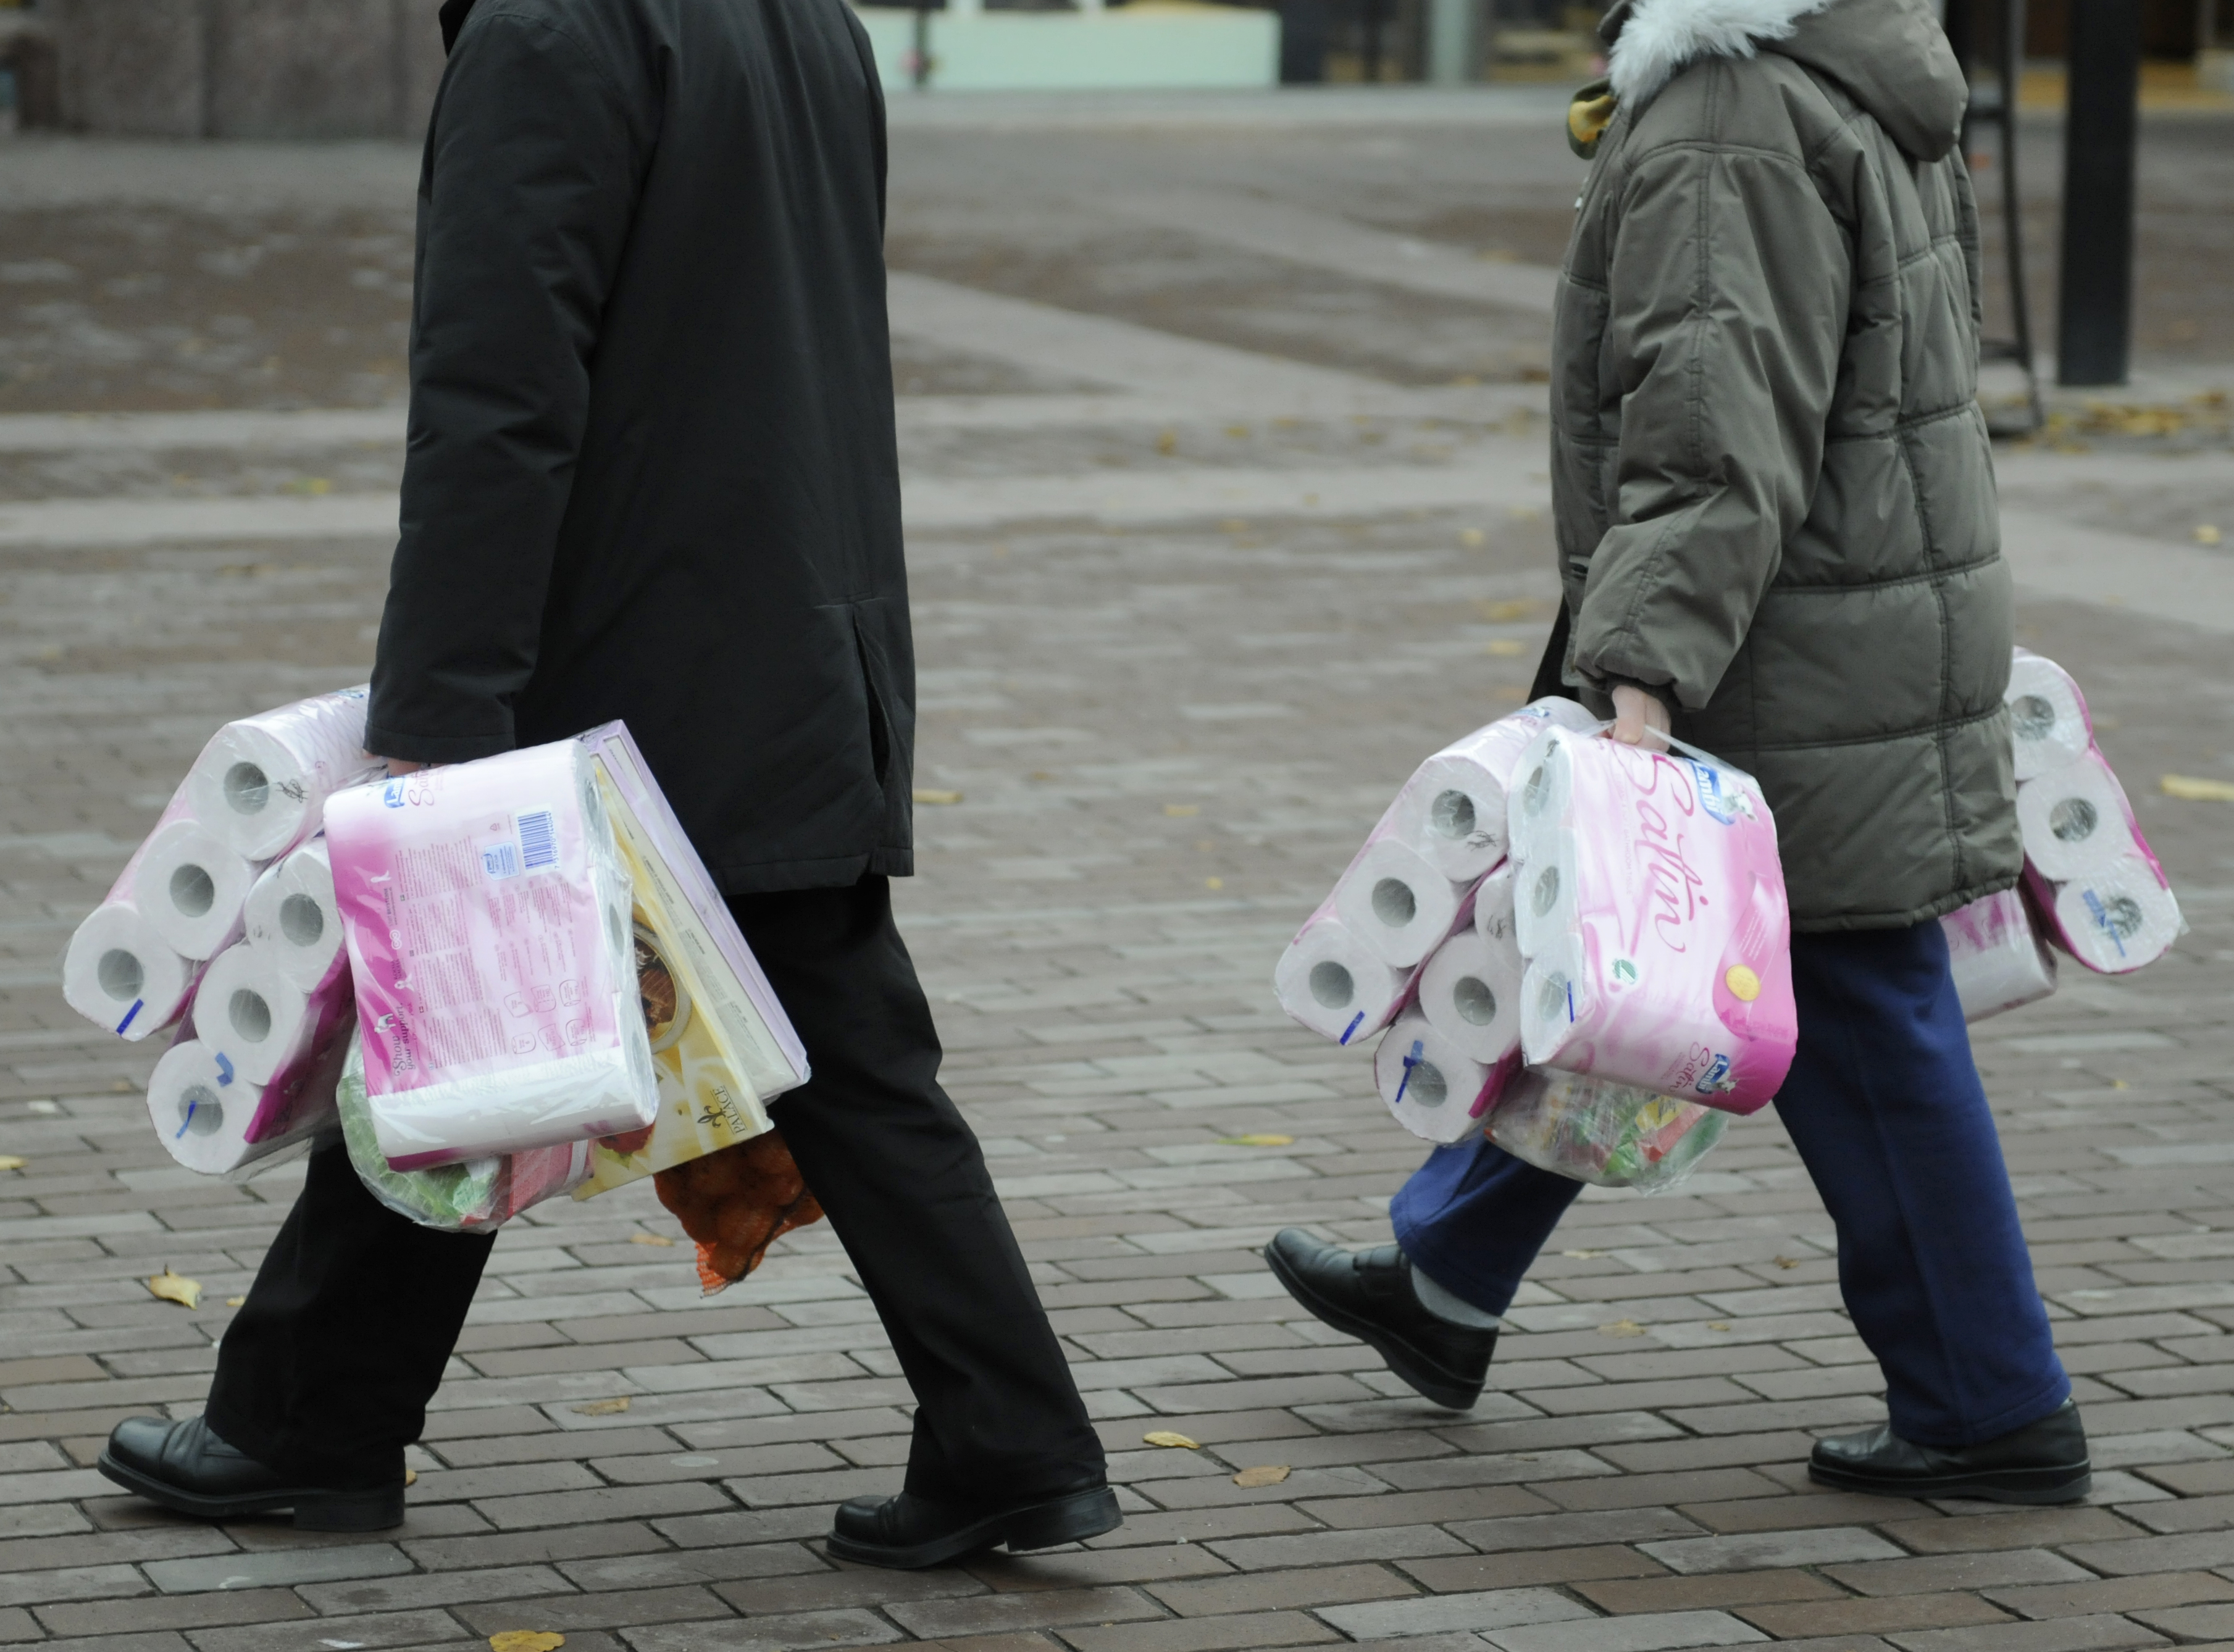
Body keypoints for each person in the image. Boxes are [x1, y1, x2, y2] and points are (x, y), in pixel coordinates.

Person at [96, 0, 1116, 1569]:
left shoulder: (554, 31)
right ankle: (319, 1422)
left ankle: (313, 1428)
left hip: (641, 650)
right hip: (791, 635)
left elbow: (498, 396)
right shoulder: (806, 20)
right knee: (767, 1052)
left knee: (469, 1020)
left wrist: (439, 714)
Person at [1266, 0, 2091, 1506]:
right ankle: (1449, 1277)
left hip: (1786, 642)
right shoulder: (1841, 71)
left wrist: (1641, 670)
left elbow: (1717, 428)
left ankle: (1990, 1403)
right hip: (1846, 614)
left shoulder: (1730, 108)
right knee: (1615, 962)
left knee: (1849, 1001)